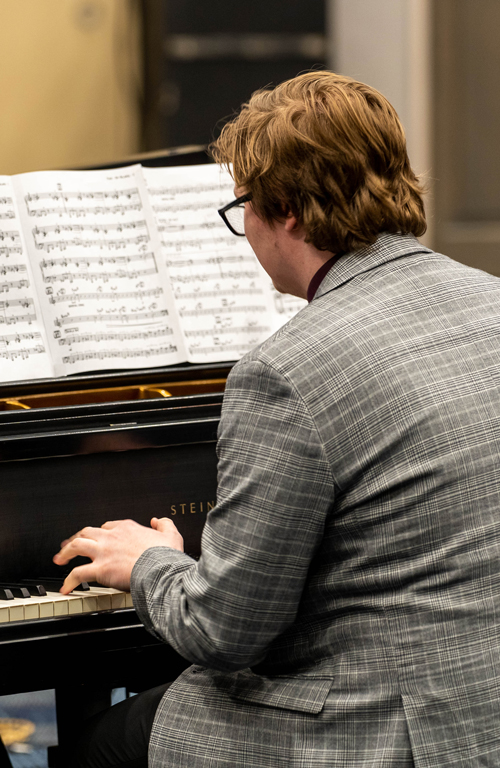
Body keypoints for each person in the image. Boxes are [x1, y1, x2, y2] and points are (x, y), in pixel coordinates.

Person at [54, 71, 500, 767]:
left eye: (245, 208)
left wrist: (151, 563)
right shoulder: (491, 301)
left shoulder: (285, 370)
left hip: (379, 731)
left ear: (285, 209)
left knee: (100, 745)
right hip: (481, 707)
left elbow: (223, 632)